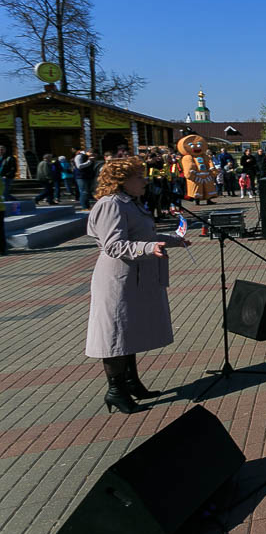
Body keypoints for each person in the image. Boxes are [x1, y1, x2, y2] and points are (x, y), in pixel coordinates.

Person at [85, 157, 189, 414]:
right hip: (117, 279)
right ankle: (116, 390)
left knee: (128, 332)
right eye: (139, 177)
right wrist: (149, 248)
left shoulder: (130, 203)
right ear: (122, 181)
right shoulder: (111, 205)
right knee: (116, 334)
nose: (145, 181)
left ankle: (132, 383)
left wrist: (173, 240)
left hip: (136, 276)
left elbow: (144, 237)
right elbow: (113, 245)